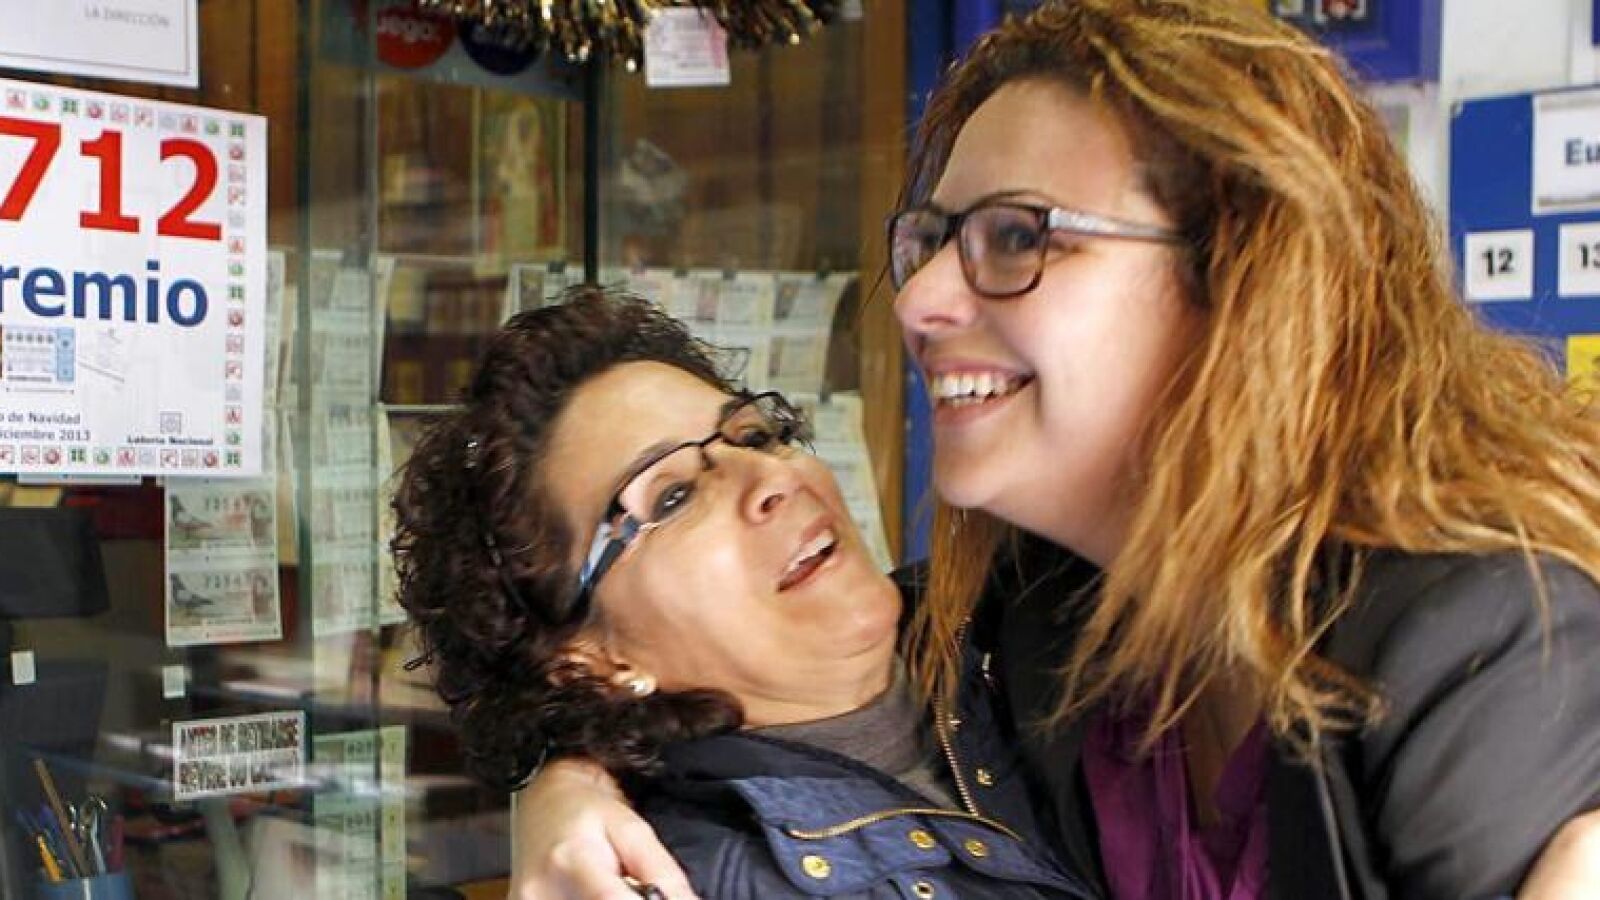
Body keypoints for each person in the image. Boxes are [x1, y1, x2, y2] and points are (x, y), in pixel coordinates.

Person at [508, 2, 1600, 898]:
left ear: (1240, 281)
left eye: (1018, 236)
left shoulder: (1475, 639)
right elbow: (739, 669)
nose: (919, 301)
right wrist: (564, 781)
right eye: (934, 240)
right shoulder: (1056, 602)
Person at [391, 289, 1092, 898]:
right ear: (593, 661)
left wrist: (568, 776)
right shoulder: (699, 876)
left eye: (754, 436)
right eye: (671, 497)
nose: (772, 479)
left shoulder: (1028, 622)